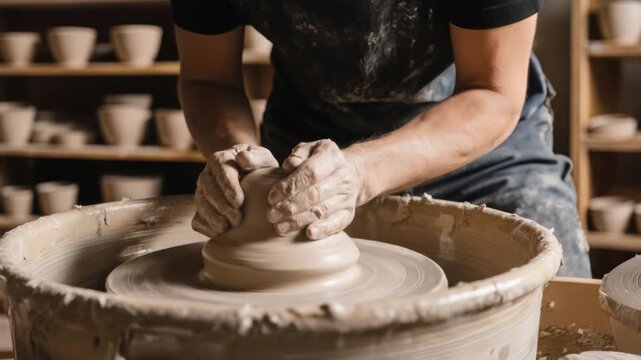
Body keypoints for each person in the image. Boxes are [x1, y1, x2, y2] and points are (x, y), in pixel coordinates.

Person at [171, 0, 592, 277]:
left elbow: (492, 91)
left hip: (478, 135)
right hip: (304, 147)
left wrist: (362, 170)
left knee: (553, 284)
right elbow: (209, 80)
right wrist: (243, 161)